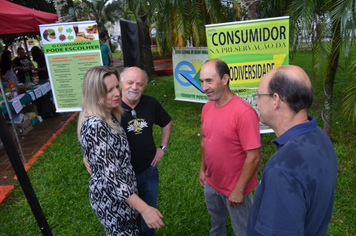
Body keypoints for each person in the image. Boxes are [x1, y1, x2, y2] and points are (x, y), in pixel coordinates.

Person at [247, 65, 338, 235]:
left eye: (258, 96)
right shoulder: (320, 137)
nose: (257, 102)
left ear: (276, 100)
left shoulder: (282, 169)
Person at [78, 66, 165, 236]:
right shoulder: (96, 125)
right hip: (113, 200)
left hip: (125, 196)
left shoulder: (107, 114)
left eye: (116, 86)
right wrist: (145, 209)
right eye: (109, 90)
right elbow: (113, 179)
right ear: (94, 93)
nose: (117, 93)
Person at [199, 59, 261, 236]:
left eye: (209, 81)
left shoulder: (244, 113)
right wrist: (202, 169)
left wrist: (239, 190)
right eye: (202, 81)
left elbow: (254, 156)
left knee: (244, 231)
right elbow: (205, 140)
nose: (204, 87)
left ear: (225, 79)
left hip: (235, 188)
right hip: (212, 183)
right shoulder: (207, 107)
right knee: (216, 224)